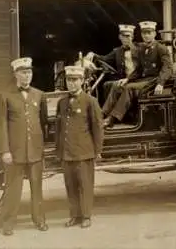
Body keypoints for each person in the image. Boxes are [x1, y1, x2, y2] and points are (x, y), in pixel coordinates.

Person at [0, 57, 48, 236]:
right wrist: (5, 150)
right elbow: (1, 125)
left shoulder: (39, 95)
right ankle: (8, 223)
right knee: (13, 189)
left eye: (29, 72)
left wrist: (41, 147)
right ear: (15, 74)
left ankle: (39, 220)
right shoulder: (5, 96)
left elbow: (43, 122)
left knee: (37, 188)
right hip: (15, 152)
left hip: (35, 151)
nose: (27, 76)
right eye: (23, 72)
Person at [55, 65, 104, 229]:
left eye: (75, 80)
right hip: (67, 152)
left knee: (85, 186)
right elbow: (59, 129)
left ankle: (86, 216)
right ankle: (74, 216)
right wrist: (59, 151)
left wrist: (97, 151)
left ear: (82, 81)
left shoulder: (90, 101)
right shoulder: (62, 102)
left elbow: (97, 127)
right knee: (71, 186)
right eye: (69, 80)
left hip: (84, 152)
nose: (72, 84)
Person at [103, 20, 172, 127]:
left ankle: (112, 118)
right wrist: (128, 79)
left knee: (129, 88)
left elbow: (167, 67)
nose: (146, 36)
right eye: (144, 33)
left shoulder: (161, 48)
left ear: (154, 33)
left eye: (149, 33)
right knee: (117, 86)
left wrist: (160, 83)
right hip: (143, 80)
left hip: (154, 80)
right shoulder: (142, 49)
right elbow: (139, 69)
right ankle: (103, 113)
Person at [86, 24, 139, 116]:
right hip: (124, 80)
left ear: (132, 37)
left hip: (137, 79)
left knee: (116, 85)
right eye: (123, 36)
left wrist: (129, 78)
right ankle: (109, 114)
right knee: (107, 85)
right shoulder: (117, 51)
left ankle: (107, 114)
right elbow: (104, 59)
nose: (126, 39)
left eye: (128, 36)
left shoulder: (140, 48)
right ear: (119, 37)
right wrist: (93, 54)